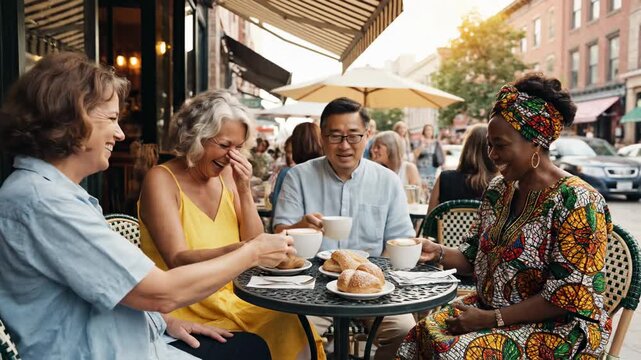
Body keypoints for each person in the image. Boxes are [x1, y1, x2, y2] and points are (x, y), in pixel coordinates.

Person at [0, 52, 293, 359]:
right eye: (112, 118)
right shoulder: (43, 203)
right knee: (254, 348)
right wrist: (252, 251)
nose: (121, 133)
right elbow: (162, 291)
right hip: (114, 350)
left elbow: (108, 287)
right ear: (70, 118)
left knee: (255, 345)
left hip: (139, 335)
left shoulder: (55, 195)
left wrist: (164, 321)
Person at [396, 73, 612, 359]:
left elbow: (569, 298)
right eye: (489, 144)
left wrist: (491, 319)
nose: (492, 154)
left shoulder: (578, 201)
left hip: (558, 329)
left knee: (453, 352)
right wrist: (436, 251)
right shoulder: (499, 189)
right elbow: (473, 258)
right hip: (490, 310)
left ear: (535, 141)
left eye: (500, 144)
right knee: (421, 333)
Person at [138, 90, 325, 360]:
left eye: (238, 147)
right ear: (196, 137)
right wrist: (244, 251)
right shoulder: (162, 180)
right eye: (224, 145)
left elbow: (256, 242)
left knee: (295, 322)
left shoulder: (227, 176)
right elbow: (178, 259)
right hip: (184, 303)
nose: (231, 156)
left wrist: (243, 188)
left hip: (236, 296)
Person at [273, 97, 416, 360]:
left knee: (407, 334)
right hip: (310, 286)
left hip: (372, 287)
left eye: (353, 136)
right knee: (286, 337)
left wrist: (379, 273)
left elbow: (400, 238)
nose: (345, 146)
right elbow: (280, 236)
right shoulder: (298, 177)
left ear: (367, 135)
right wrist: (301, 226)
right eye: (335, 136)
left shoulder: (387, 181)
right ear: (322, 137)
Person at [427, 124, 498, 214]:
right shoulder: (502, 184)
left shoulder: (444, 179)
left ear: (466, 147)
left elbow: (429, 220)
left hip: (449, 227)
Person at [270, 122, 323, 215]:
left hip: (293, 228)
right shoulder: (330, 172)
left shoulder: (288, 173)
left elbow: (277, 208)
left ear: (295, 145)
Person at [413, 124, 444, 191]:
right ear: (424, 131)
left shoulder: (436, 142)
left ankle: (429, 199)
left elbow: (441, 154)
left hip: (432, 167)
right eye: (427, 130)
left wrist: (442, 164)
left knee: (431, 186)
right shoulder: (419, 142)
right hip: (421, 167)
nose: (429, 131)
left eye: (430, 130)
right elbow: (415, 154)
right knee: (422, 186)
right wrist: (423, 144)